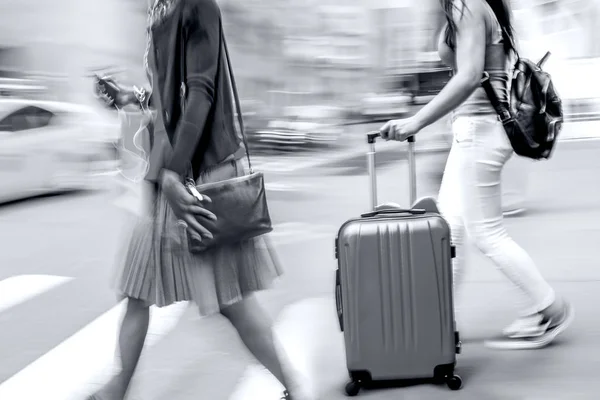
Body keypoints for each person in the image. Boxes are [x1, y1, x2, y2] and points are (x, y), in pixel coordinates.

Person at [87, 0, 298, 399]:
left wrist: (174, 172)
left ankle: (295, 389)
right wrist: (129, 98)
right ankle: (116, 391)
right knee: (136, 292)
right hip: (164, 173)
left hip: (196, 175)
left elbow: (201, 92)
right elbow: (171, 100)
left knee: (229, 300)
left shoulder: (196, 4)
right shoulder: (159, 9)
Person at [379, 0, 573, 350]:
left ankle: (547, 310)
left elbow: (469, 76)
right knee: (450, 228)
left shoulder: (467, 6)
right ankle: (439, 323)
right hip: (473, 131)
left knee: (486, 233)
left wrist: (415, 122)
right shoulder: (469, 6)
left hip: (481, 132)